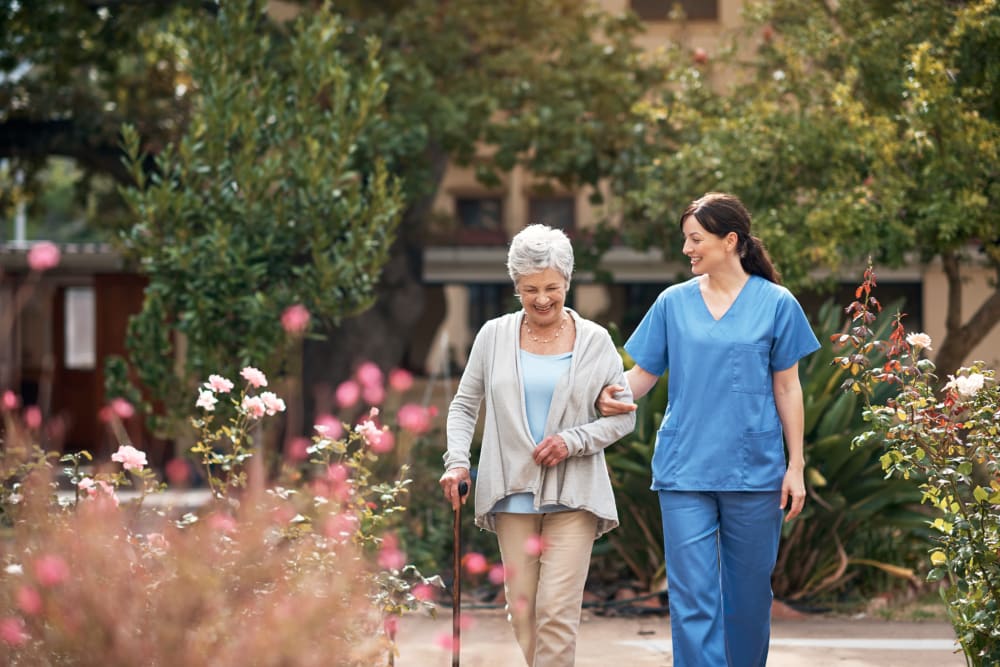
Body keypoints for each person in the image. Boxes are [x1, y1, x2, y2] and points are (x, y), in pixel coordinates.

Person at [597, 192, 820, 667]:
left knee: (748, 600)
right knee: (692, 599)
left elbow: (788, 389)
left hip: (755, 471)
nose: (687, 250)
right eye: (686, 240)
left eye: (695, 239)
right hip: (685, 470)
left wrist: (795, 465)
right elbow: (640, 376)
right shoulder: (672, 303)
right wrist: (602, 397)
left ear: (730, 241)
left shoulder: (777, 304)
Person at [440, 224, 636, 667]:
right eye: (530, 289)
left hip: (574, 494)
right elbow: (463, 406)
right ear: (516, 287)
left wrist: (573, 441)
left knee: (557, 612)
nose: (542, 298)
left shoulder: (595, 341)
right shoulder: (493, 336)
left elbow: (624, 420)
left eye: (551, 287)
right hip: (512, 494)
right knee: (523, 611)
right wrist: (457, 463)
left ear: (567, 282)